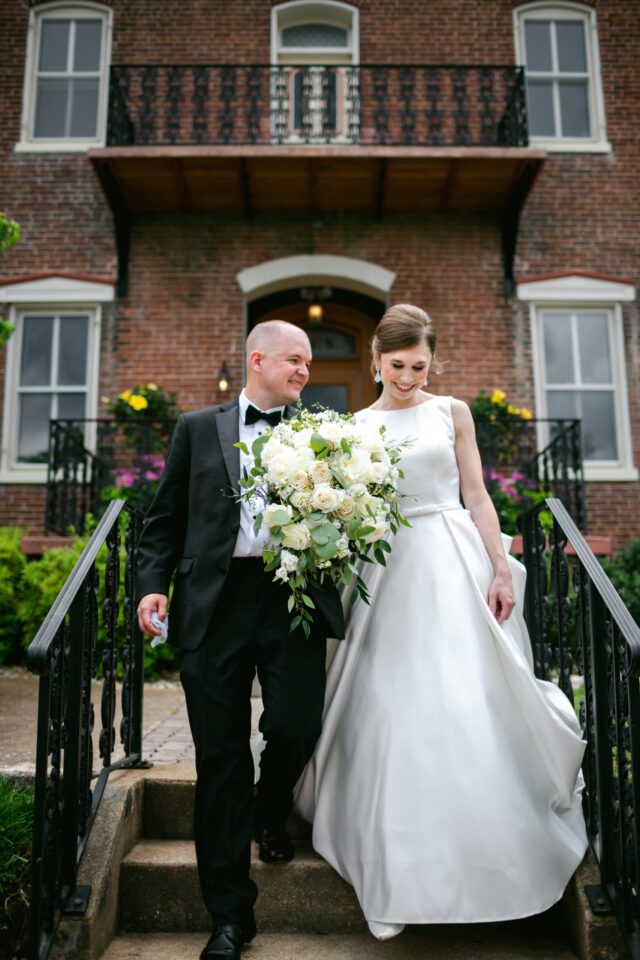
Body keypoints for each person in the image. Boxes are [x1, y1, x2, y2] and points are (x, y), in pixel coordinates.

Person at [295, 304, 588, 940]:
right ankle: (393, 868)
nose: (407, 378)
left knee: (463, 695)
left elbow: (476, 494)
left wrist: (500, 569)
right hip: (385, 570)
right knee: (388, 702)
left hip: (452, 560)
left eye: (419, 366)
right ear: (376, 359)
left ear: (433, 362)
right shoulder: (354, 426)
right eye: (397, 365)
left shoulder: (452, 412)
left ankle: (487, 849)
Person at [136, 320, 345, 960]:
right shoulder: (197, 428)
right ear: (258, 360)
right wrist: (152, 585)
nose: (305, 371)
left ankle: (269, 809)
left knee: (296, 724)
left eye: (309, 363)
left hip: (291, 597)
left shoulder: (323, 434)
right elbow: (164, 519)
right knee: (221, 759)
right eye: (295, 360)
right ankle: (229, 916)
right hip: (214, 606)